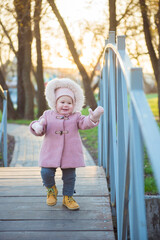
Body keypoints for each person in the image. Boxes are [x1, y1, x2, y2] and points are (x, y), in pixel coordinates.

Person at [30, 78, 104, 210]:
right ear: (55, 102)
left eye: (69, 103)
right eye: (62, 102)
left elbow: (85, 123)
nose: (65, 105)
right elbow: (40, 124)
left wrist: (93, 118)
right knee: (46, 172)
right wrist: (37, 126)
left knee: (69, 176)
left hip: (70, 153)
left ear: (74, 104)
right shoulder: (48, 114)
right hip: (50, 151)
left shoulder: (76, 116)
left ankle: (67, 197)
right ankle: (51, 189)